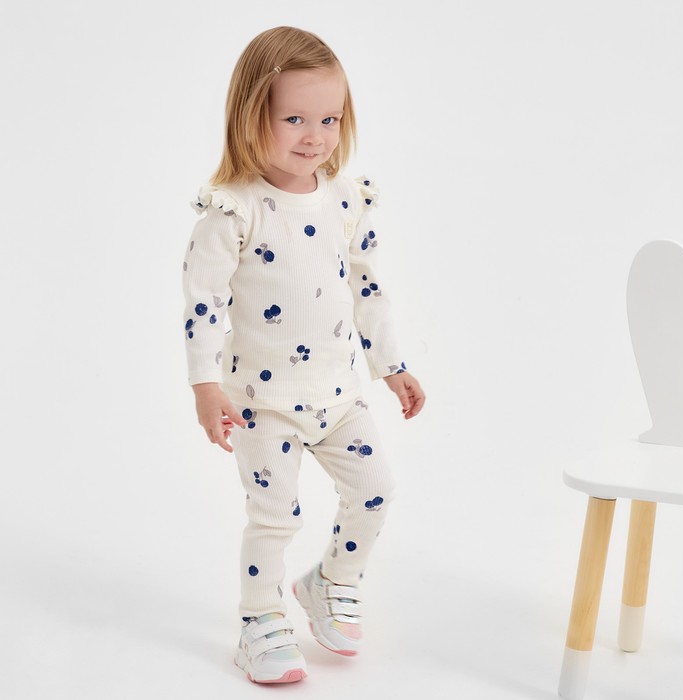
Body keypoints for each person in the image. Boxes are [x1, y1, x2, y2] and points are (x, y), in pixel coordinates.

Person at [182, 25, 425, 684]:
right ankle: (260, 620)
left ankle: (331, 582)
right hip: (261, 404)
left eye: (330, 119)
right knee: (275, 515)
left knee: (376, 490)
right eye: (294, 118)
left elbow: (368, 288)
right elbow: (202, 302)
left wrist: (392, 366)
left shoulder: (346, 199)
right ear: (250, 116)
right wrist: (205, 385)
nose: (315, 136)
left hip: (339, 396)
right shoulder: (232, 211)